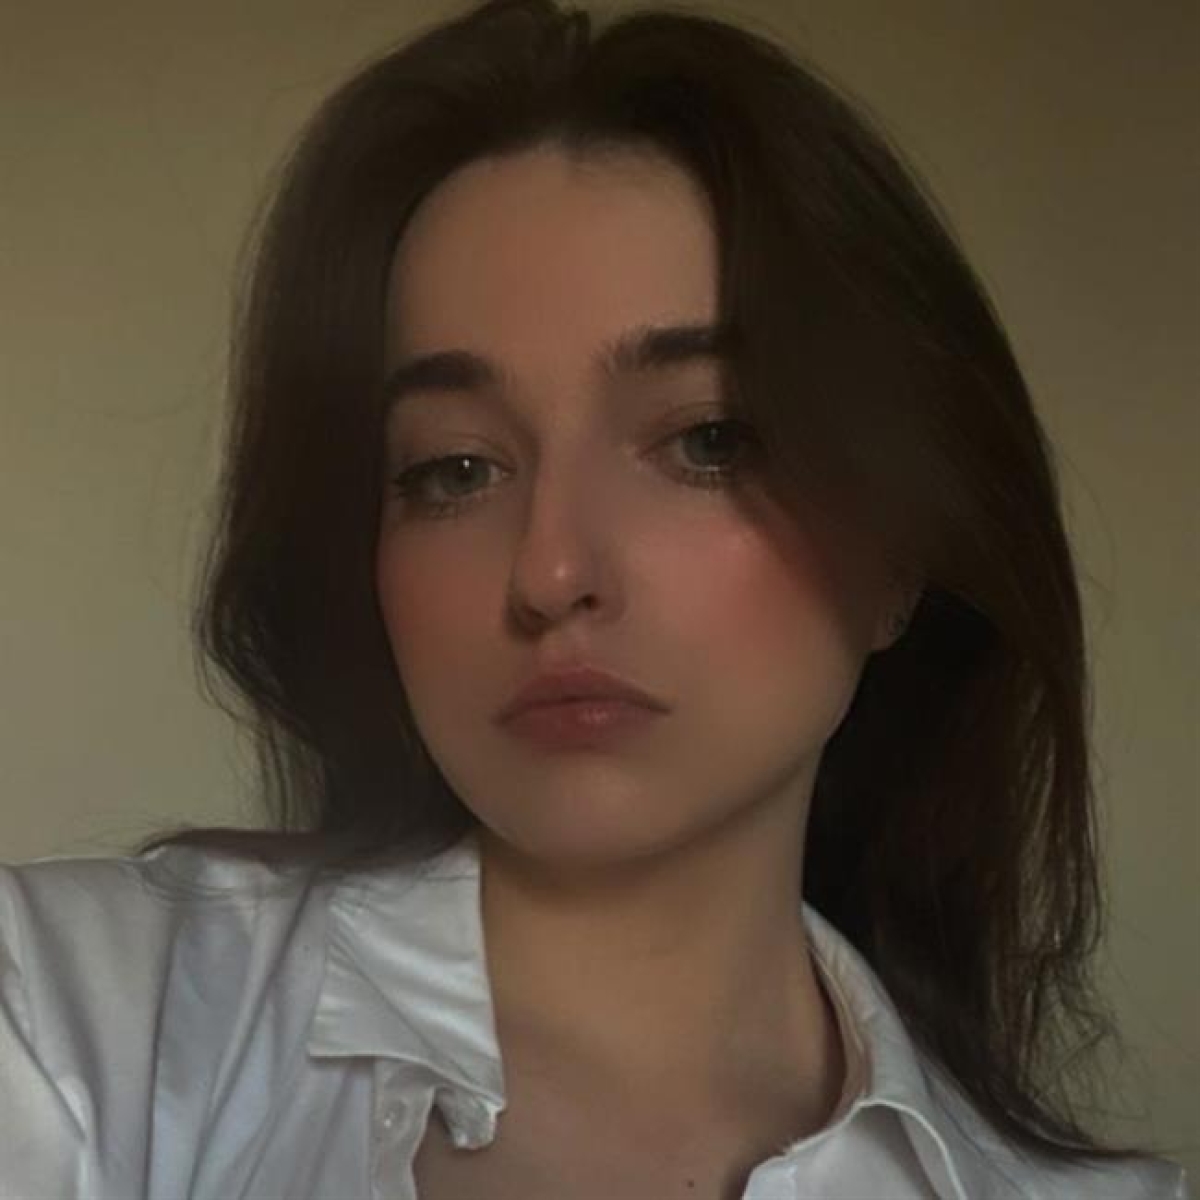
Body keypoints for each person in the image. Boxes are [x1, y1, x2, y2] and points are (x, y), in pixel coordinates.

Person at [0, 1, 1190, 1197]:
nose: (551, 572)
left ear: (897, 550)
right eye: (454, 469)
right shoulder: (67, 1035)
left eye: (708, 441)